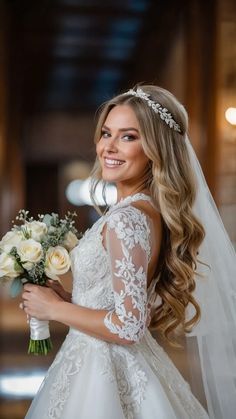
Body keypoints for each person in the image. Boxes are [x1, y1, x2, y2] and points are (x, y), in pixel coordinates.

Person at [22, 85, 236, 419]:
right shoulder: (143, 210)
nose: (108, 146)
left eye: (128, 137)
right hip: (107, 359)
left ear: (155, 149)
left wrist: (54, 311)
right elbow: (119, 301)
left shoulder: (127, 219)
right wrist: (67, 300)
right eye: (107, 133)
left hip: (105, 370)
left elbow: (129, 326)